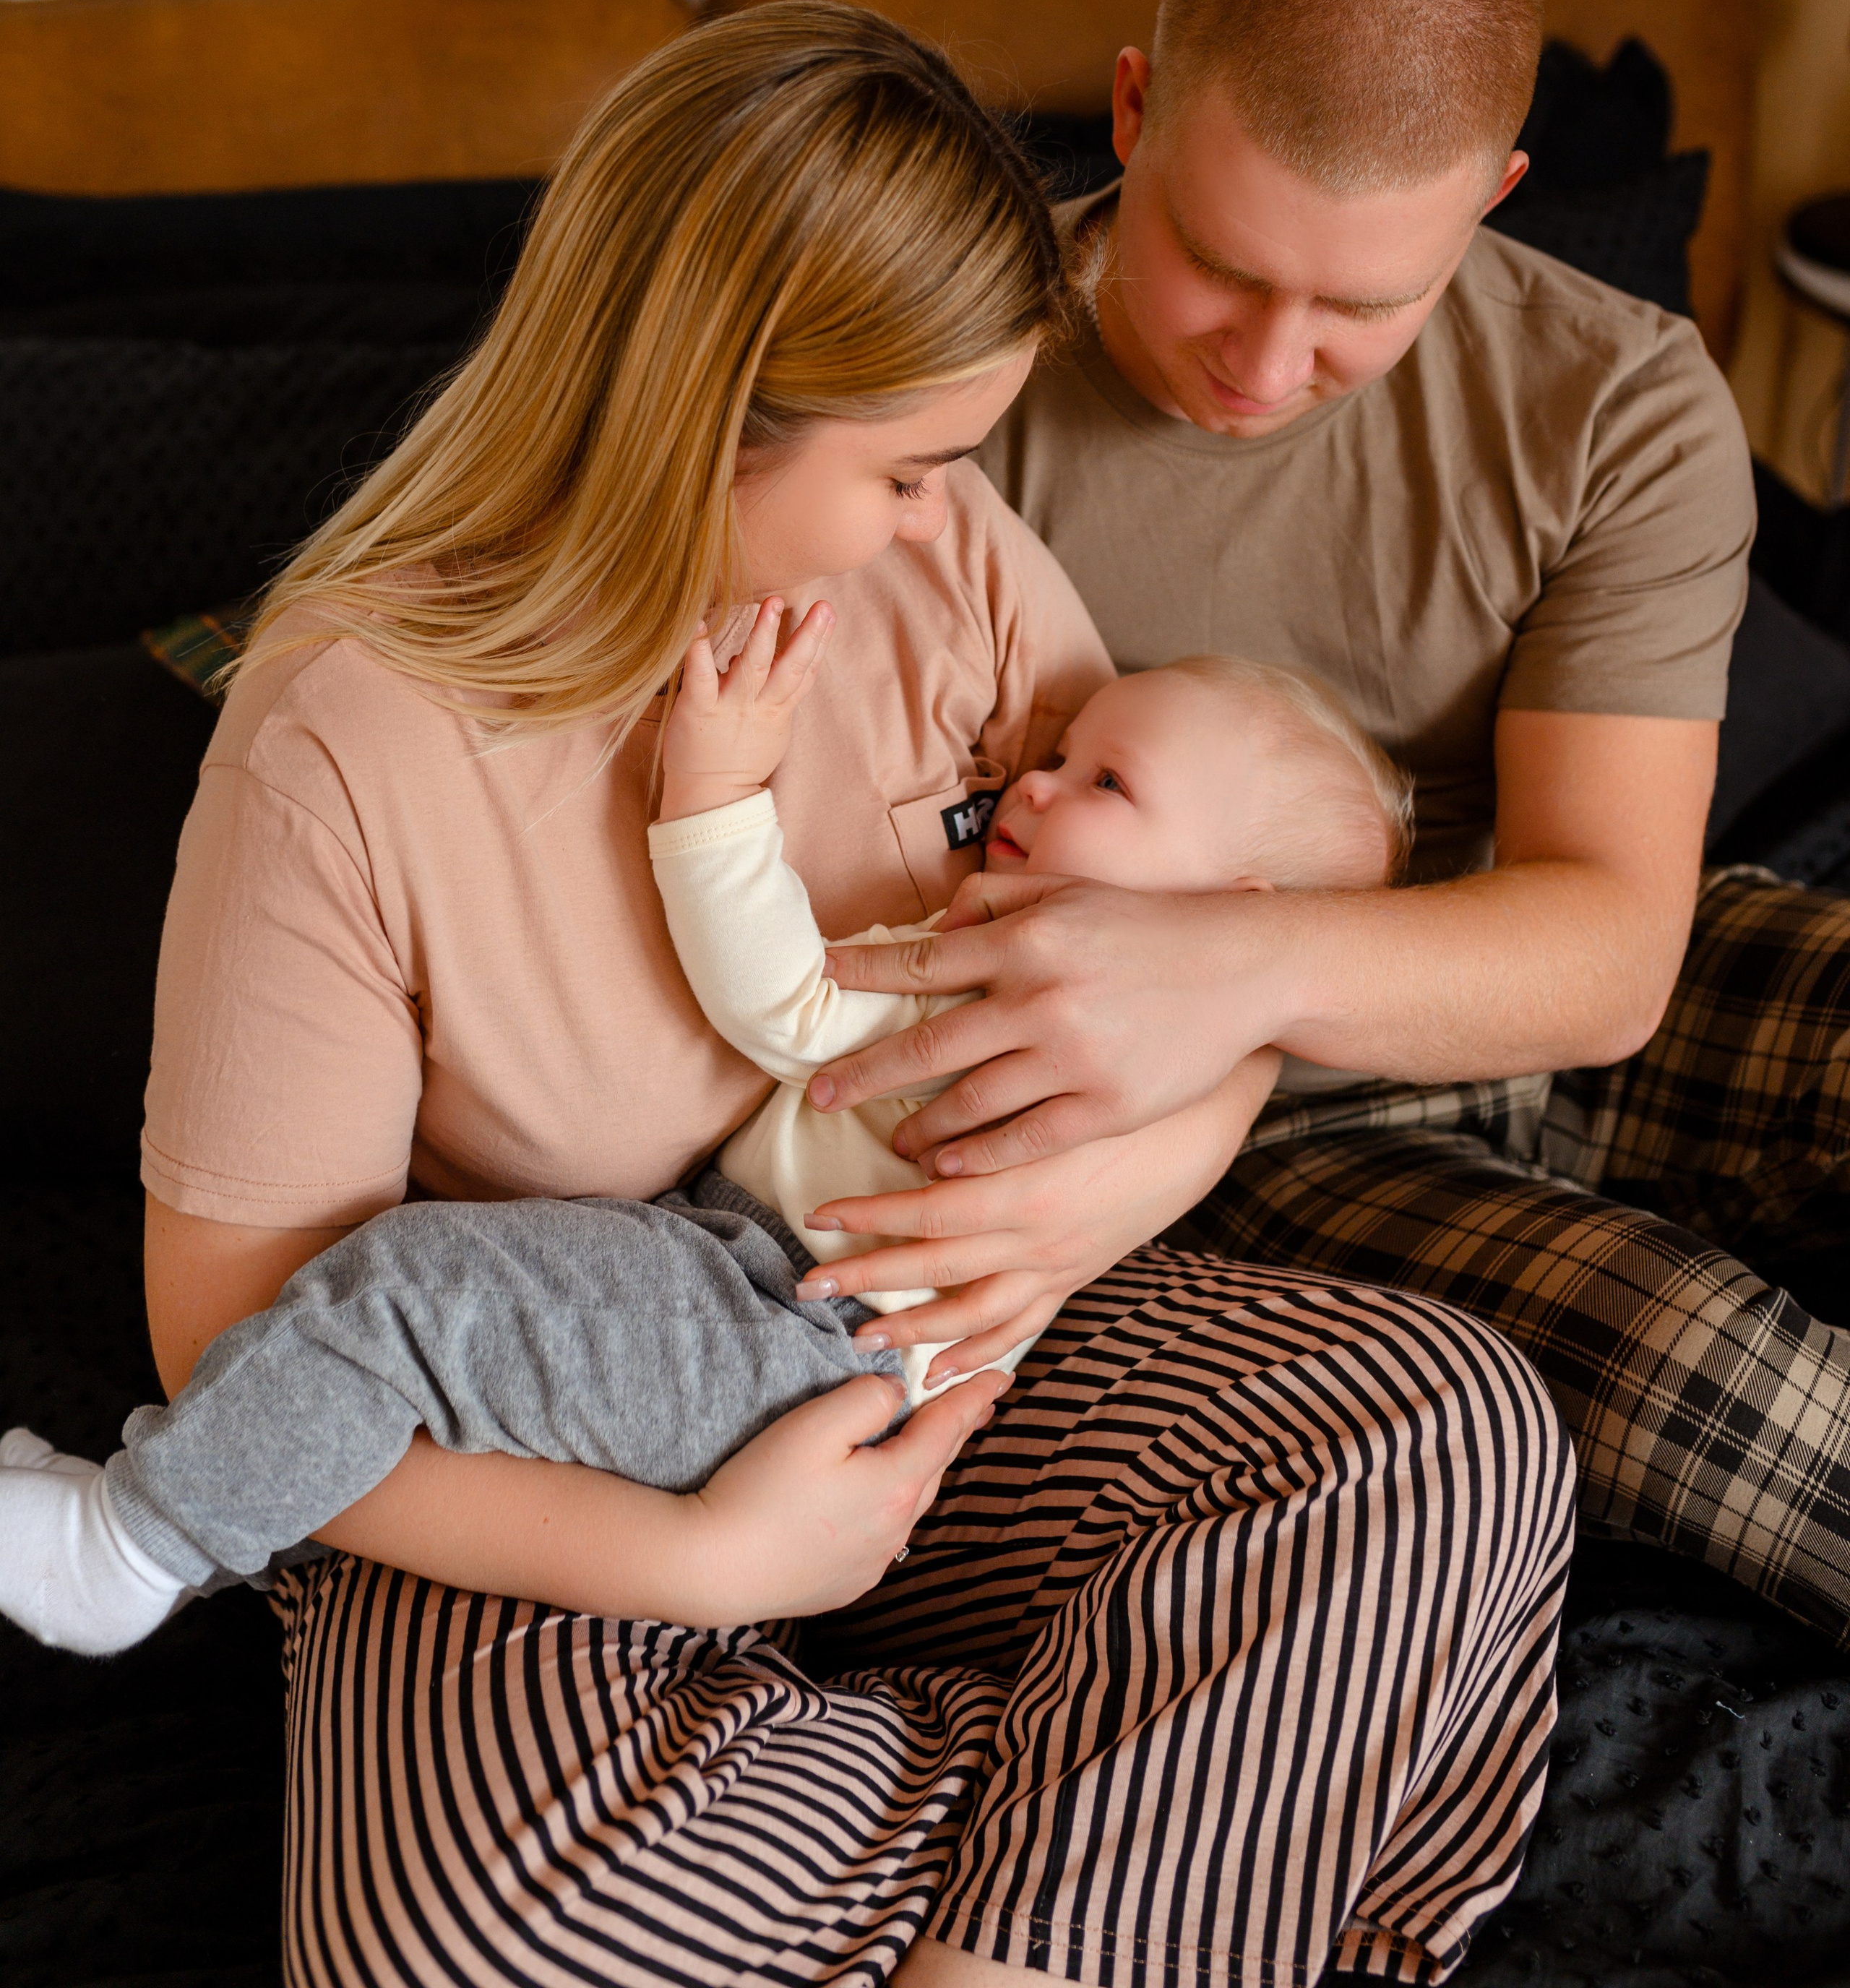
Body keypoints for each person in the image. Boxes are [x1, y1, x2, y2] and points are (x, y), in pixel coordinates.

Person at [137, 0, 1572, 1987]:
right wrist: (706, 1564)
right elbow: (233, 1345)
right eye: (911, 468)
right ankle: (1157, 1817)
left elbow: (1198, 953)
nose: (941, 514)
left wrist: (1076, 1218)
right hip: (544, 1430)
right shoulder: (345, 741)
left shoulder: (945, 567)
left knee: (1448, 1431)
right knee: (465, 1929)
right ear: (716, 416)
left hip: (945, 1332)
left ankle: (1003, 1936)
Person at [809, 0, 1850, 1648]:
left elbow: (1606, 952)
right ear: (1130, 110)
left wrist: (1223, 959)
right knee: (1716, 1379)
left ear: (1496, 197)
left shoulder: (1614, 399)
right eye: (1217, 264)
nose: (1267, 365)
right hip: (1251, 1131)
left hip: (1518, 947)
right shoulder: (946, 413)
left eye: (1364, 304)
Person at [0, 647, 1411, 1656]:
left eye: (1101, 779)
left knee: (415, 1296)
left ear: (1232, 913)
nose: (1026, 789)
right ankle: (194, 1502)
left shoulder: (1044, 991)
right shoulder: (1174, 1059)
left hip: (786, 1333)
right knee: (429, 1329)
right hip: (763, 1296)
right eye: (1052, 753)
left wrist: (714, 791)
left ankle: (132, 1548)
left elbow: (785, 1000)